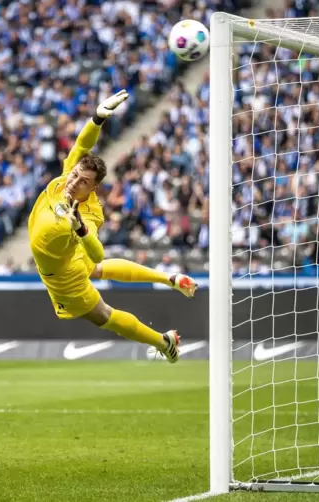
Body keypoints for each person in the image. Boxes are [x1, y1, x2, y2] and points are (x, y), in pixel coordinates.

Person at [28, 90, 197, 363]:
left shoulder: (89, 214)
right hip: (67, 256)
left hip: (62, 275)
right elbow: (82, 145)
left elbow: (96, 253)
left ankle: (163, 342)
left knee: (103, 315)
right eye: (75, 175)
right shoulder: (66, 177)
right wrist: (97, 118)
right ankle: (170, 279)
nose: (73, 181)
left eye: (83, 181)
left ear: (93, 188)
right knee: (97, 270)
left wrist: (80, 228)